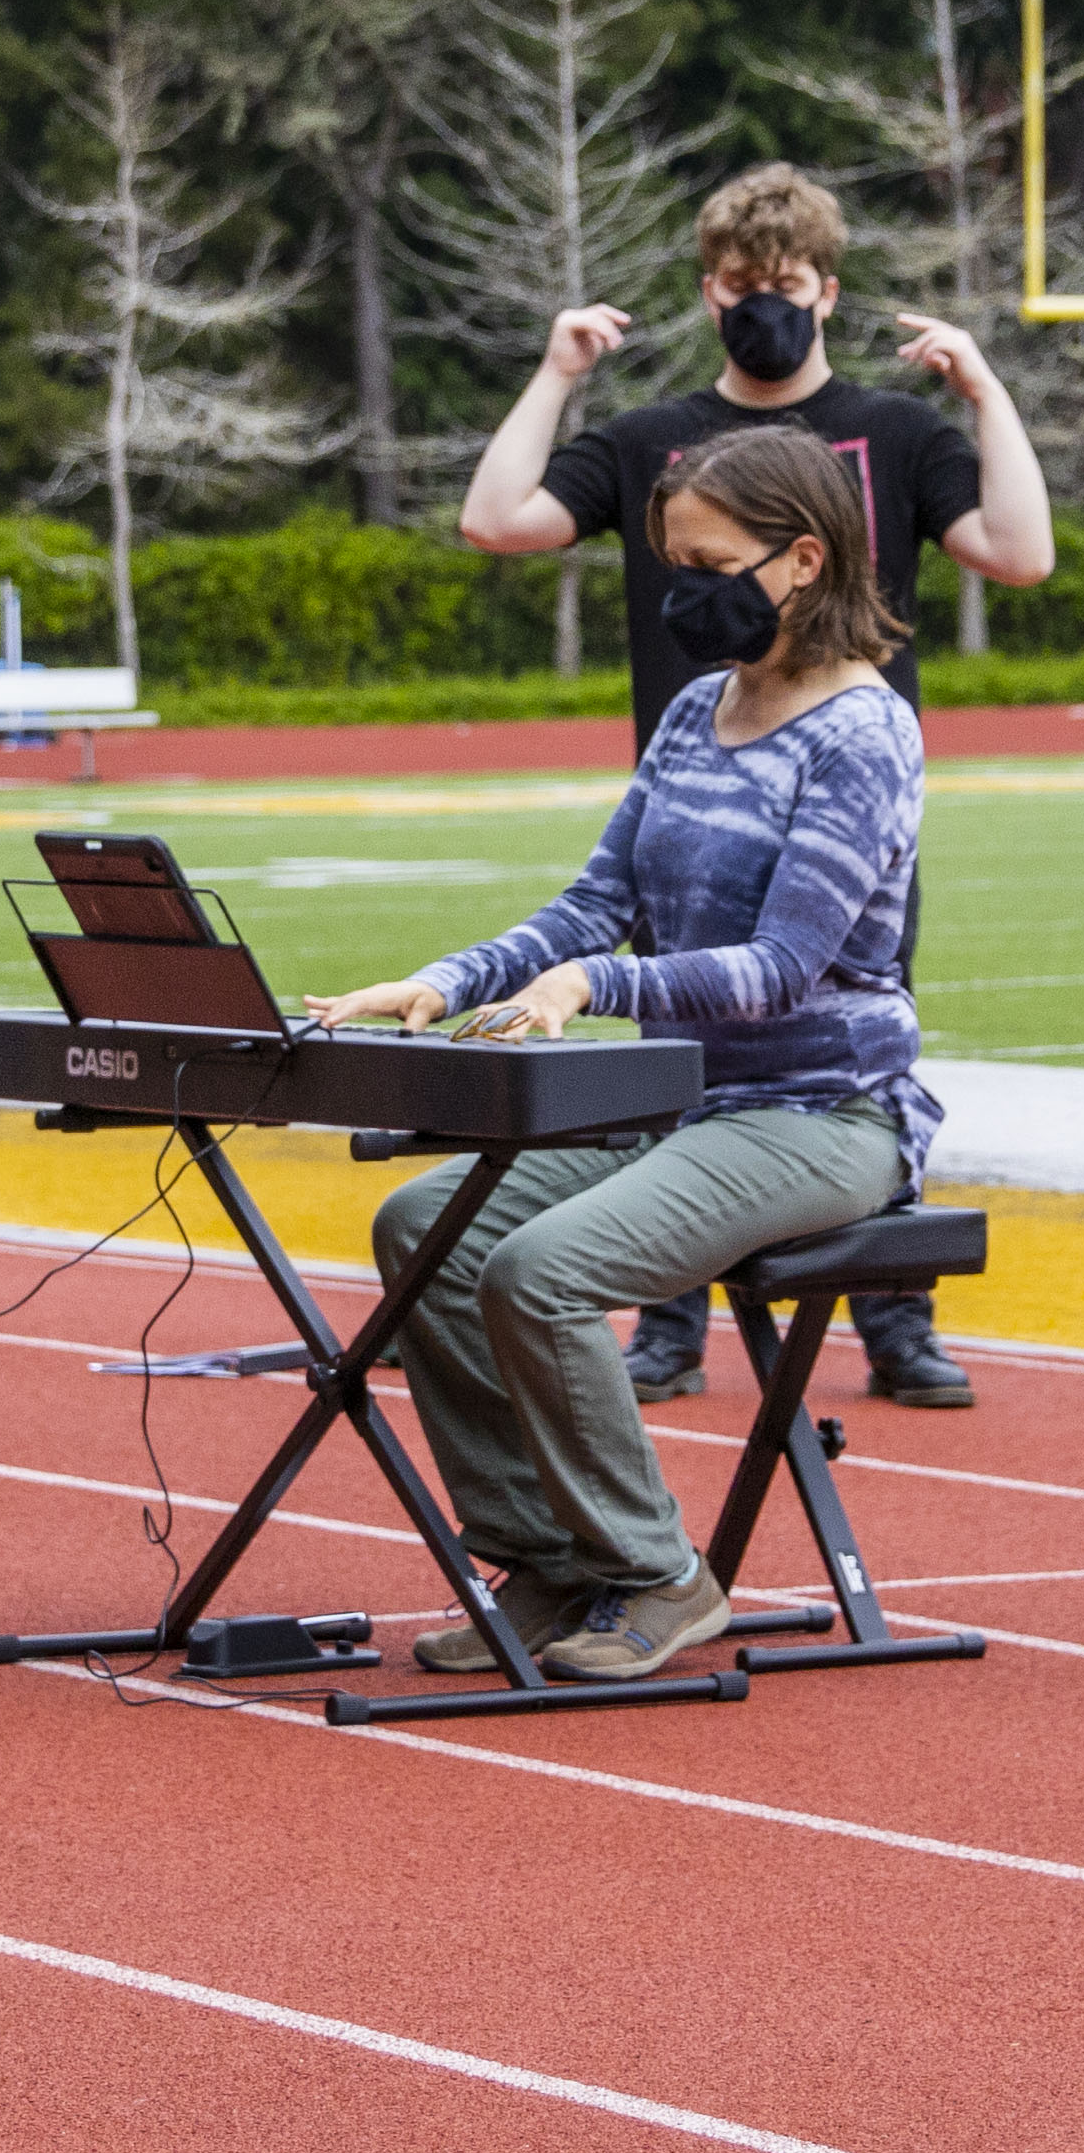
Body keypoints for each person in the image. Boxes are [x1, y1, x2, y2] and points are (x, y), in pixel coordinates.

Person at [310, 428, 940, 1682]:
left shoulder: (863, 734)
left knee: (540, 1270)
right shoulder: (698, 710)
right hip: (682, 1102)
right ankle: (547, 1559)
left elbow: (781, 968)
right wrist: (442, 980)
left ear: (802, 558)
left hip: (821, 1113)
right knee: (423, 1225)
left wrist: (594, 985)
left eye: (707, 564)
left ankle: (657, 1572)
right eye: (670, 564)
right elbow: (596, 901)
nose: (679, 591)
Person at [452, 158, 1051, 1406]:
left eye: (781, 280)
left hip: (835, 802)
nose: (759, 302)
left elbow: (1018, 552)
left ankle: (893, 1316)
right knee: (676, 1044)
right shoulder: (650, 439)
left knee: (834, 1034)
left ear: (825, 289)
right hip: (688, 787)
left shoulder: (891, 432)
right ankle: (666, 1325)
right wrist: (557, 371)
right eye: (736, 282)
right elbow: (498, 520)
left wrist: (984, 390)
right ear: (706, 290)